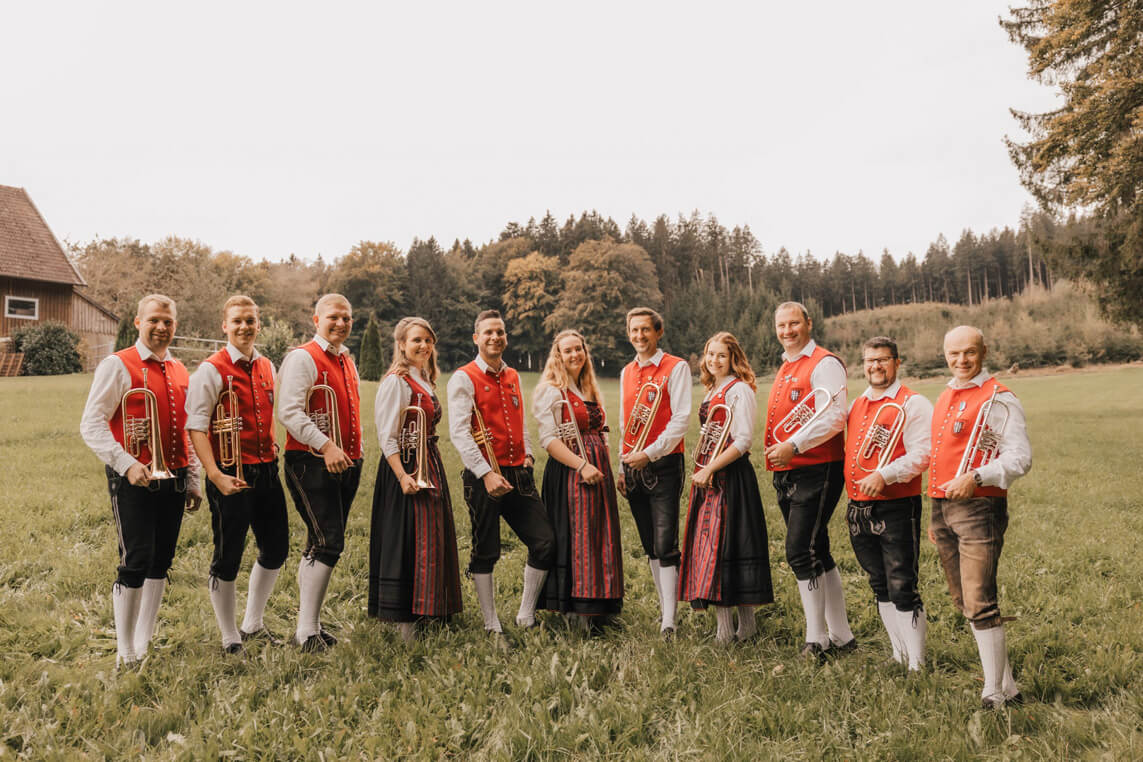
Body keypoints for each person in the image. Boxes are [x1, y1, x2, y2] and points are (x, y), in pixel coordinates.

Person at [80, 294, 202, 668]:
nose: (161, 327)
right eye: (153, 321)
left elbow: (184, 429)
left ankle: (144, 641)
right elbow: (91, 423)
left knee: (161, 562)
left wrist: (194, 476)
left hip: (174, 475)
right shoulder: (118, 365)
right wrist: (126, 463)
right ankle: (124, 650)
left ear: (175, 325)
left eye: (167, 321)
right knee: (136, 559)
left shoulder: (181, 370)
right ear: (138, 322)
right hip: (132, 476)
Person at [929, 325, 1032, 709]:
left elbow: (1020, 458)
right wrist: (934, 518)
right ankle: (1008, 686)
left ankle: (993, 694)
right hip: (944, 508)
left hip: (979, 507)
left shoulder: (1000, 399)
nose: (961, 360)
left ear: (984, 351)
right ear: (945, 355)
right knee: (964, 601)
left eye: (969, 352)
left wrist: (976, 477)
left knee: (980, 601)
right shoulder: (945, 395)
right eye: (953, 354)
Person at [186, 295, 288, 654]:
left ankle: (253, 622)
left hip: (267, 470)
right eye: (237, 321)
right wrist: (213, 474)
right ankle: (229, 634)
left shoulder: (266, 366)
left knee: (276, 548)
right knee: (228, 554)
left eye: (250, 320)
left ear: (258, 324)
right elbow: (197, 427)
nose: (245, 327)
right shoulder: (210, 370)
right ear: (224, 326)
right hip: (230, 473)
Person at [447, 309, 555, 645]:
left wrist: (529, 454)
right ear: (476, 338)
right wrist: (486, 473)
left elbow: (519, 418)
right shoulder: (463, 377)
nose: (495, 337)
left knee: (545, 542)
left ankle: (525, 613)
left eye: (501, 332)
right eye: (488, 332)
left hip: (518, 472)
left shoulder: (512, 376)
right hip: (484, 475)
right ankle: (491, 623)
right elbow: (460, 433)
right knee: (486, 549)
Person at [763, 301, 855, 659]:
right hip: (788, 470)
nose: (787, 331)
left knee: (799, 551)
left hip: (817, 466)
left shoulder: (825, 363)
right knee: (819, 550)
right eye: (781, 325)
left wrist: (795, 445)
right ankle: (842, 636)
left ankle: (817, 640)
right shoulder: (788, 366)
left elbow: (834, 415)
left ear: (808, 323)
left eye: (794, 324)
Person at [277, 293, 364, 651]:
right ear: (316, 319)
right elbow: (290, 412)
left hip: (346, 461)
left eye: (347, 317)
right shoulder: (302, 357)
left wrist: (356, 452)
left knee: (318, 541)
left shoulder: (346, 359)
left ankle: (308, 626)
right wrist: (327, 446)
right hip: (311, 460)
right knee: (330, 542)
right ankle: (306, 632)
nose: (341, 323)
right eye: (333, 317)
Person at [368, 317, 462, 641]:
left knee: (431, 538)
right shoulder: (397, 382)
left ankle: (429, 610)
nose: (423, 346)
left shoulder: (424, 377)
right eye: (416, 340)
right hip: (405, 466)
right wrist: (403, 476)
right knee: (406, 541)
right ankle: (404, 625)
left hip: (429, 460)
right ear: (402, 345)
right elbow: (387, 436)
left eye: (427, 340)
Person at [844, 336, 933, 670]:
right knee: (879, 584)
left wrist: (886, 474)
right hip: (858, 506)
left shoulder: (914, 403)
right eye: (869, 360)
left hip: (896, 503)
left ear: (897, 361)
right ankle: (900, 654)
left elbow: (924, 454)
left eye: (882, 359)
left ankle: (917, 663)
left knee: (902, 584)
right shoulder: (857, 404)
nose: (875, 366)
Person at [678, 332, 773, 644]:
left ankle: (739, 629)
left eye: (722, 355)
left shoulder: (739, 390)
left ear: (734, 359)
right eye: (710, 354)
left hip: (729, 476)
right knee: (713, 547)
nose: (714, 360)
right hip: (709, 474)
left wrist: (710, 468)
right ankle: (731, 627)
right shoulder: (712, 389)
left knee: (729, 547)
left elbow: (743, 441)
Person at [531, 329, 624, 633]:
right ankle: (577, 611)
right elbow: (549, 441)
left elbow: (602, 431)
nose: (574, 355)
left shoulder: (587, 387)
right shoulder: (551, 390)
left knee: (600, 534)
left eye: (578, 349)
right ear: (557, 355)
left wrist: (608, 465)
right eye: (567, 350)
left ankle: (601, 606)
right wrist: (582, 465)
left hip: (599, 469)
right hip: (572, 469)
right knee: (579, 537)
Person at [618, 307, 692, 638]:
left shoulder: (676, 367)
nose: (639, 336)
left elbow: (681, 420)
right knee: (649, 543)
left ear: (658, 332)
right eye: (634, 330)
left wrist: (649, 453)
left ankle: (670, 622)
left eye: (645, 330)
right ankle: (665, 610)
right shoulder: (626, 372)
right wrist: (623, 463)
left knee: (665, 543)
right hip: (633, 465)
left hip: (663, 464)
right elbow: (625, 423)